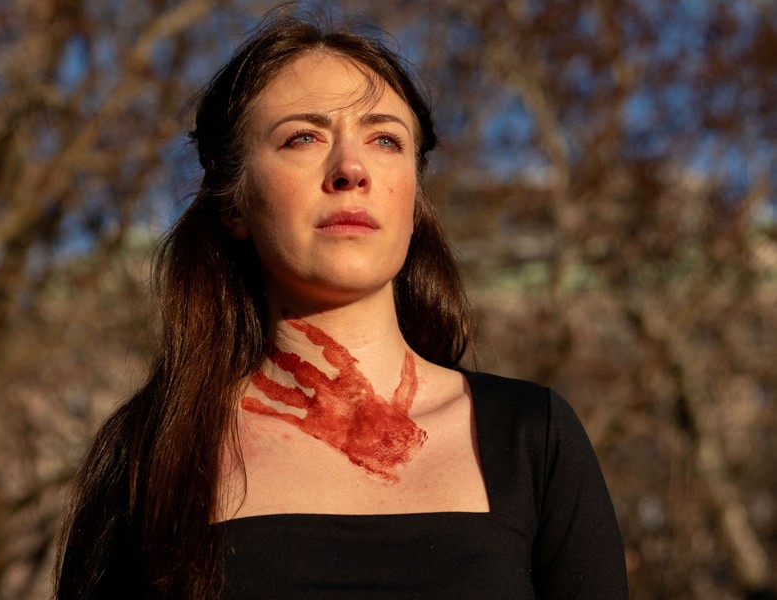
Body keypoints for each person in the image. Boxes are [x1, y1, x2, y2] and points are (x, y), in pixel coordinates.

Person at [55, 7, 628, 600]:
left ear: (415, 201)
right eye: (303, 137)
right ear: (233, 201)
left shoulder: (531, 437)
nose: (351, 169)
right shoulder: (151, 452)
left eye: (385, 140)